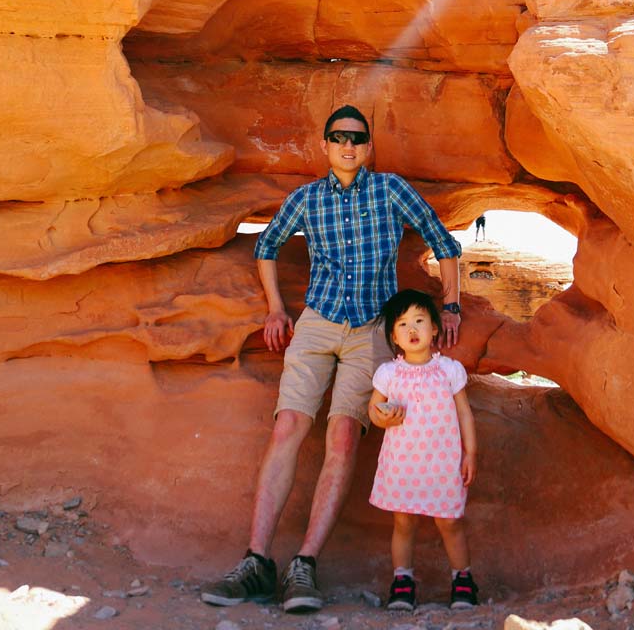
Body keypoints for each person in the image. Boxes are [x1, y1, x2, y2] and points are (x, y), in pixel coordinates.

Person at [200, 106, 463, 612]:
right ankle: (257, 561)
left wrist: (450, 304)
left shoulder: (390, 190)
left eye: (357, 139)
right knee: (288, 427)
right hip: (317, 322)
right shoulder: (307, 198)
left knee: (343, 434)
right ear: (326, 145)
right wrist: (277, 309)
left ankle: (305, 566)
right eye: (339, 138)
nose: (348, 146)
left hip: (370, 329)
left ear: (368, 148)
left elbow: (442, 239)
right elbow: (268, 245)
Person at [368, 288, 479, 612]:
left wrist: (470, 452)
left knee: (450, 522)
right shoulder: (389, 373)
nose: (412, 329)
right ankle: (402, 581)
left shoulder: (449, 370)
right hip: (403, 463)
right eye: (403, 324)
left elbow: (463, 413)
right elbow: (373, 411)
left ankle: (463, 579)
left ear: (434, 329)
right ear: (394, 335)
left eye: (419, 321)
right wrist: (383, 417)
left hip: (443, 462)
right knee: (403, 522)